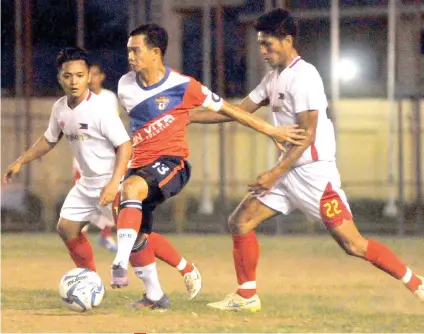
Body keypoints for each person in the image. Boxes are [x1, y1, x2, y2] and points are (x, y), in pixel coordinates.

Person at [189, 9, 423, 312]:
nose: (262, 52)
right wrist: (187, 117)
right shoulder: (273, 78)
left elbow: (308, 135)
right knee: (240, 221)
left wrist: (274, 173)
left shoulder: (305, 76)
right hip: (287, 173)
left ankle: (415, 281)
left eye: (268, 45)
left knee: (354, 245)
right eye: (260, 45)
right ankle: (246, 296)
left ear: (287, 41)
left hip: (314, 176)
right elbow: (238, 111)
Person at [110, 23, 306, 310]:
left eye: (135, 50)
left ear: (155, 52)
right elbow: (153, 120)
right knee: (137, 232)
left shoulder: (183, 86)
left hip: (172, 163)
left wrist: (271, 131)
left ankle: (118, 260)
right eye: (128, 50)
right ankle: (158, 294)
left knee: (130, 191)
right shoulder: (125, 85)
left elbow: (229, 109)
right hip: (139, 165)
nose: (129, 55)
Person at [2, 47, 132, 273]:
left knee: (136, 236)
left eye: (80, 76)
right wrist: (20, 161)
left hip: (113, 180)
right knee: (66, 228)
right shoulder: (60, 107)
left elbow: (125, 145)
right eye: (68, 75)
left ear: (88, 77)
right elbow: (49, 139)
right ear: (59, 77)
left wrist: (114, 183)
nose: (74, 81)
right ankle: (90, 278)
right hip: (87, 182)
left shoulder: (101, 108)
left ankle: (182, 269)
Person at [75, 63, 122, 252]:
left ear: (101, 77)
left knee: (114, 194)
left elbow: (113, 124)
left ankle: (105, 234)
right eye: (89, 75)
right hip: (85, 154)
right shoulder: (80, 98)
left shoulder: (110, 98)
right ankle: (79, 236)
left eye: (95, 74)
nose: (92, 78)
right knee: (82, 195)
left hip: (107, 155)